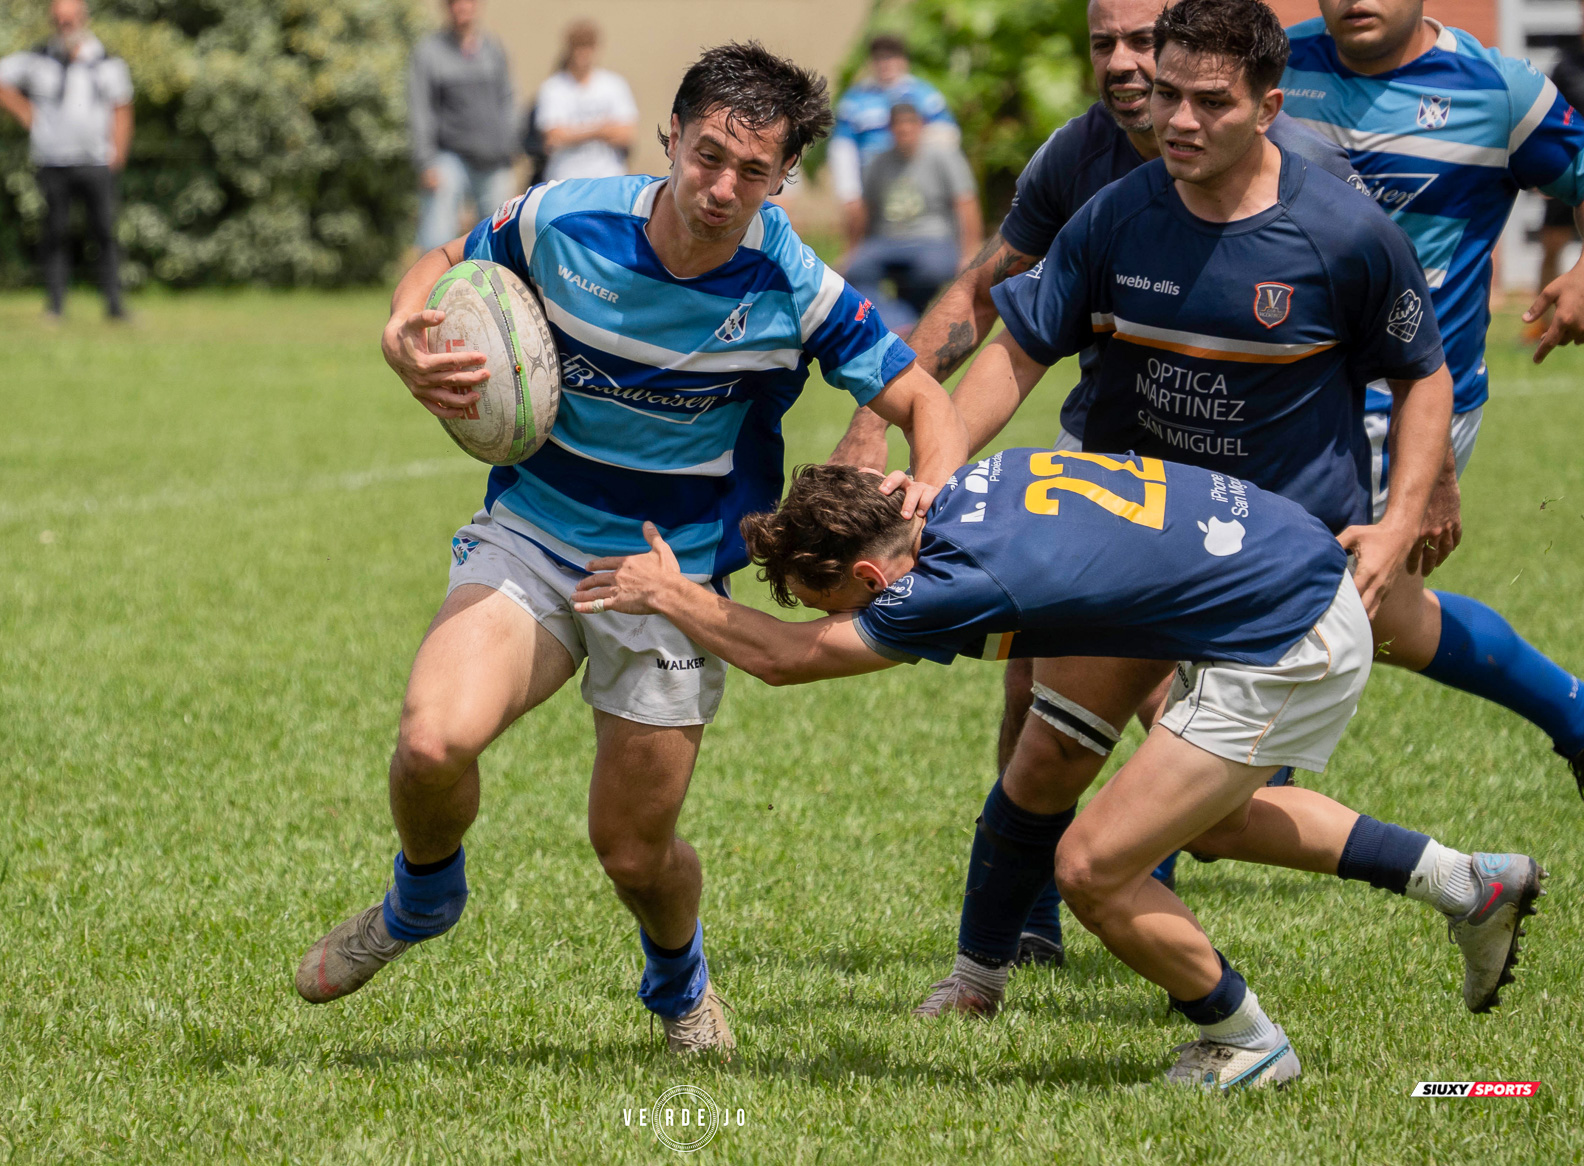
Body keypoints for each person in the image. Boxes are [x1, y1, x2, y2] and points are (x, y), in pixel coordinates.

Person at [292, 42, 970, 1057]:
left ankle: (678, 980)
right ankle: (423, 896)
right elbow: (446, 262)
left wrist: (930, 485)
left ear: (785, 176)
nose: (722, 188)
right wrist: (403, 327)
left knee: (631, 853)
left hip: (669, 574)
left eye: (753, 172)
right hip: (534, 531)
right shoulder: (565, 218)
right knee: (431, 744)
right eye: (708, 156)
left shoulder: (791, 282)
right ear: (673, 138)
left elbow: (921, 399)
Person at [917, 0, 1526, 1020]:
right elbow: (1019, 349)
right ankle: (976, 980)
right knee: (1049, 752)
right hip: (1136, 542)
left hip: (1271, 576)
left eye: (1211, 102)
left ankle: (1439, 897)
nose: (1179, 121)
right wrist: (938, 467)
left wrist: (1399, 514)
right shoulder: (1119, 215)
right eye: (1168, 96)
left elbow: (1422, 374)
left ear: (1269, 106)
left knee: (1206, 819)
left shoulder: (1342, 232)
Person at [572, 460, 1547, 1088]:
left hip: (1284, 632)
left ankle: (1247, 1044)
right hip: (1273, 570)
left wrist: (671, 594)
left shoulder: (940, 586)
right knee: (1201, 820)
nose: (843, 621)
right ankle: (1467, 883)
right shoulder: (961, 487)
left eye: (831, 603)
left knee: (1093, 869)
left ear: (870, 577)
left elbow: (788, 660)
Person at [832, 0, 1362, 974]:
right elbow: (992, 306)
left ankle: (1451, 858)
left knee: (1202, 755)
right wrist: (889, 424)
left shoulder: (1305, 176)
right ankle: (1036, 915)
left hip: (1263, 503)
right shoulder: (1080, 163)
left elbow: (1385, 346)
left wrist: (1407, 493)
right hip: (1118, 474)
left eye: (1145, 42)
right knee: (1039, 689)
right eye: (1103, 44)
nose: (1124, 64)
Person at [1281, 0, 1584, 781]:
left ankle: (1226, 805)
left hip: (1411, 399)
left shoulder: (1501, 92)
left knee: (1307, 595)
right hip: (1277, 388)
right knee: (1370, 610)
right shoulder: (1277, 72)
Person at [0, 0, 133, 321]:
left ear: (83, 18)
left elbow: (122, 109)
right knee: (55, 234)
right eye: (58, 20)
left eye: (70, 19)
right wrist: (24, 111)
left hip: (96, 161)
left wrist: (117, 155)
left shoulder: (106, 61)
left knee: (104, 234)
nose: (65, 25)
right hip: (53, 161)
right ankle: (55, 308)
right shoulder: (38, 58)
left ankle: (115, 307)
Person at [842, 102, 983, 329]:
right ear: (890, 129)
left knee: (932, 271)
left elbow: (966, 203)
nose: (904, 130)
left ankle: (903, 320)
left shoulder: (944, 157)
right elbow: (864, 210)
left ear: (921, 126)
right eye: (898, 125)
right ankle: (896, 320)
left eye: (910, 124)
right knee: (856, 270)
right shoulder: (878, 162)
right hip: (886, 239)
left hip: (932, 239)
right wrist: (852, 251)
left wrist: (970, 252)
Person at [409, 0, 518, 252]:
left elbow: (508, 99)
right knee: (437, 237)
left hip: (494, 159)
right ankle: (434, 281)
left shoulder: (493, 49)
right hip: (449, 158)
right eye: (456, 3)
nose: (462, 8)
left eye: (468, 2)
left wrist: (510, 145)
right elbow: (420, 108)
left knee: (499, 238)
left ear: (477, 6)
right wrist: (425, 161)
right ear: (448, 8)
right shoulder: (430, 52)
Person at [828, 34, 961, 249]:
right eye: (879, 59)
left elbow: (948, 137)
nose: (885, 64)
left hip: (916, 180)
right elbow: (842, 148)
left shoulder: (924, 95)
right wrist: (848, 191)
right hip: (871, 184)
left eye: (891, 58)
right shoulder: (855, 100)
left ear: (903, 61)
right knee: (864, 246)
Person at [1533, 0, 1584, 344]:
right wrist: (1542, 169)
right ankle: (1540, 323)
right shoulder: (1566, 64)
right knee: (1552, 243)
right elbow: (1548, 119)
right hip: (1569, 167)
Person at [534, 20, 638, 183]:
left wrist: (572, 133)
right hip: (566, 179)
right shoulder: (553, 88)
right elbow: (554, 137)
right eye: (578, 47)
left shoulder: (614, 85)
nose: (583, 54)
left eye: (588, 47)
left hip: (608, 178)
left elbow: (626, 134)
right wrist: (601, 130)